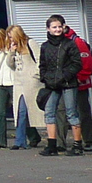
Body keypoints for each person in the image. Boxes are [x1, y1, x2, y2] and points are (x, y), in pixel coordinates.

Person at [36, 15, 84, 156]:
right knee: (49, 113)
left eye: (59, 27)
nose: (57, 29)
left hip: (68, 83)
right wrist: (45, 78)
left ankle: (77, 145)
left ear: (64, 27)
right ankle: (52, 145)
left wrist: (64, 76)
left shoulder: (70, 44)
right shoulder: (45, 46)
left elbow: (77, 64)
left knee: (71, 113)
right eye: (54, 27)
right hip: (51, 85)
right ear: (48, 29)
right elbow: (42, 65)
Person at [3, 26, 44, 150]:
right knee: (20, 112)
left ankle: (52, 138)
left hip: (31, 82)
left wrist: (36, 75)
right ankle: (20, 141)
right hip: (19, 83)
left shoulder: (30, 43)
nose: (10, 39)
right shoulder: (15, 48)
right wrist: (11, 52)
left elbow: (40, 60)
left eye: (11, 36)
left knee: (31, 111)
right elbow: (10, 65)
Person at [67, 25, 92, 151]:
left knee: (83, 113)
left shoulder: (77, 42)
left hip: (79, 84)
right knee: (66, 113)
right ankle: (64, 142)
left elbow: (87, 63)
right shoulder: (61, 42)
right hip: (65, 83)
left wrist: (79, 79)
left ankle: (90, 141)